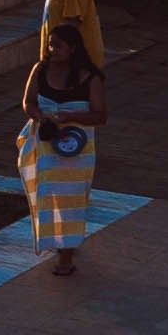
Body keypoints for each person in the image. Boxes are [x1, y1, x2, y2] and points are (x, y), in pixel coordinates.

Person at [18, 19, 108, 275]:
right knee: (49, 196)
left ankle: (66, 257)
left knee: (72, 199)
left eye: (57, 47)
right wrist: (40, 117)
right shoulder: (40, 70)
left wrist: (68, 118)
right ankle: (60, 243)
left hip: (77, 150)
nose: (51, 51)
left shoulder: (90, 78)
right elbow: (28, 102)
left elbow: (100, 115)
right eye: (49, 46)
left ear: (72, 48)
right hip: (47, 146)